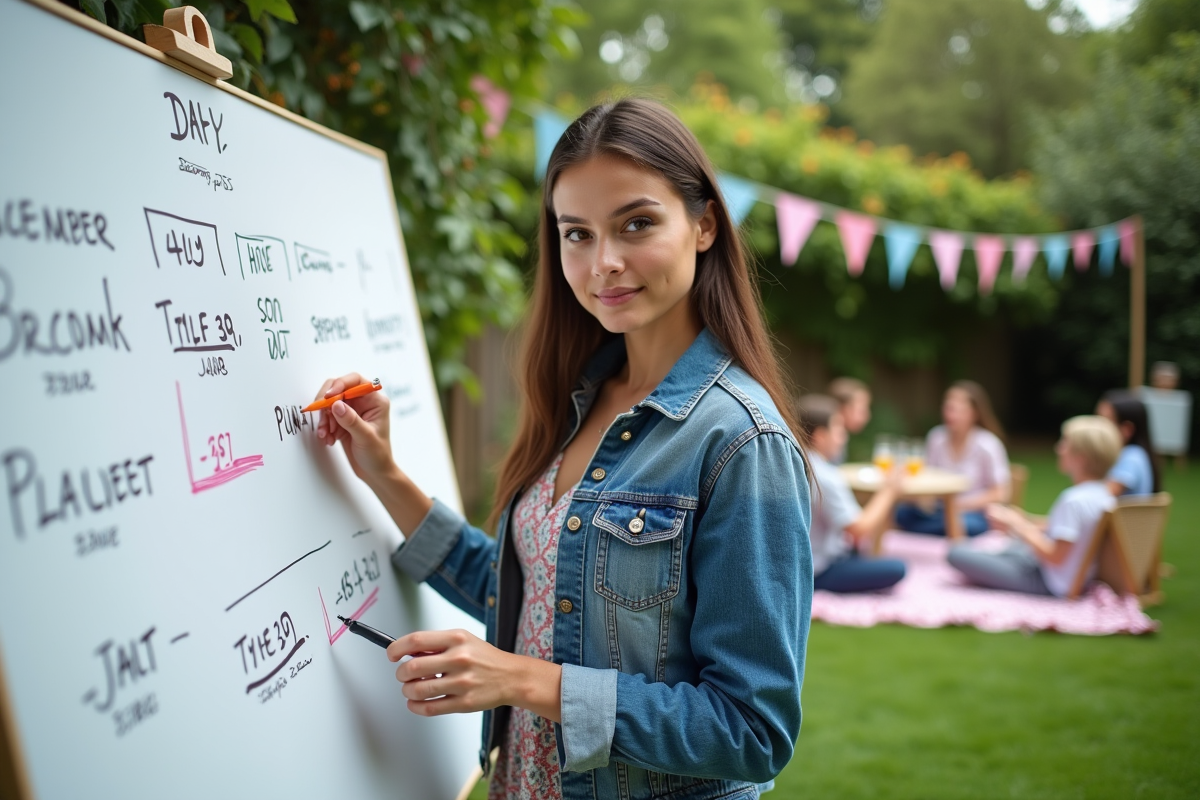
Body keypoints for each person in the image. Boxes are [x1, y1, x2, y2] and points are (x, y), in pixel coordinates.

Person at [312, 98, 812, 800]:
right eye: (577, 233)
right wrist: (383, 474)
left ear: (703, 225)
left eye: (636, 223)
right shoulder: (582, 397)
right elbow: (532, 592)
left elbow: (751, 731)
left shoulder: (741, 441)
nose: (604, 262)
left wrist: (521, 680)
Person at [948, 416, 1120, 597]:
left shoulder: (1073, 501)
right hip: (1055, 573)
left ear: (1081, 458)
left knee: (956, 553)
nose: (1058, 448)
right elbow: (1064, 530)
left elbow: (1055, 556)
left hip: (1046, 580)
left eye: (1065, 443)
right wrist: (1022, 519)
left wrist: (1017, 525)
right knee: (1009, 548)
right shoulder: (1102, 495)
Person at [798, 395, 906, 592]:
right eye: (839, 430)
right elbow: (859, 530)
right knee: (897, 568)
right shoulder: (825, 475)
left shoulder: (795, 462)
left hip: (796, 564)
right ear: (820, 436)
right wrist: (889, 491)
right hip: (818, 570)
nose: (844, 437)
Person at [894, 380, 1010, 537]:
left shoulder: (988, 444)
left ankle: (930, 531)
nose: (950, 415)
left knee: (963, 524)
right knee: (900, 513)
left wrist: (959, 505)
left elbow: (1000, 493)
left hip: (972, 513)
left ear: (974, 413)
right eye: (948, 408)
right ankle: (934, 530)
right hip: (938, 510)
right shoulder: (936, 437)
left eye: (957, 410)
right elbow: (927, 476)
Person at [1096, 390, 1160, 497]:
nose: (1096, 428)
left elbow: (1101, 497)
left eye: (1104, 422)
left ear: (1127, 430)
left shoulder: (1130, 458)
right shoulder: (1130, 454)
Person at [828, 377, 871, 464]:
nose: (867, 416)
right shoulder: (827, 438)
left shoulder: (840, 435)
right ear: (843, 408)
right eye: (861, 410)